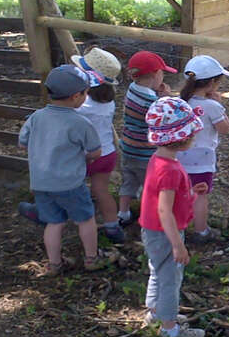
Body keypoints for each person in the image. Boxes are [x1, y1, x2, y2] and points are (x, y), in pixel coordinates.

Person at [18, 65, 109, 276]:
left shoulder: (36, 117)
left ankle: (54, 264)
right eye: (86, 93)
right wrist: (83, 157)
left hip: (41, 182)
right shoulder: (80, 123)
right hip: (70, 183)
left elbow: (23, 144)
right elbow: (95, 152)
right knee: (85, 218)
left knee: (53, 222)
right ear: (77, 96)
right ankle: (91, 258)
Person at [140, 97, 206, 337]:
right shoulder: (169, 169)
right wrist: (178, 244)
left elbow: (162, 198)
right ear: (182, 138)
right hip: (166, 232)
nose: (194, 137)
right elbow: (164, 210)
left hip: (152, 230)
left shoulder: (159, 160)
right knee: (170, 279)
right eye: (192, 133)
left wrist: (189, 193)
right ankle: (170, 330)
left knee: (158, 270)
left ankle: (155, 312)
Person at [71, 47, 125, 243]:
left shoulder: (79, 105)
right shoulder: (108, 103)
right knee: (101, 190)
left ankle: (79, 223)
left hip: (82, 155)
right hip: (107, 153)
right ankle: (112, 227)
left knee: (73, 190)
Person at [117, 51, 177, 227]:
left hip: (128, 147)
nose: (163, 76)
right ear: (155, 75)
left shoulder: (132, 89)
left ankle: (123, 213)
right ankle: (148, 217)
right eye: (162, 73)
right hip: (145, 152)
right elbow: (165, 116)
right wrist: (165, 99)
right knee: (149, 186)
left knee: (128, 181)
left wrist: (158, 97)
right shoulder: (153, 101)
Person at [178, 55, 229, 243]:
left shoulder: (180, 102)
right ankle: (201, 231)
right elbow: (224, 129)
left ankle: (178, 226)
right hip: (202, 159)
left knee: (181, 193)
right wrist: (220, 105)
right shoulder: (211, 106)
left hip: (178, 156)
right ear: (211, 83)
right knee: (200, 196)